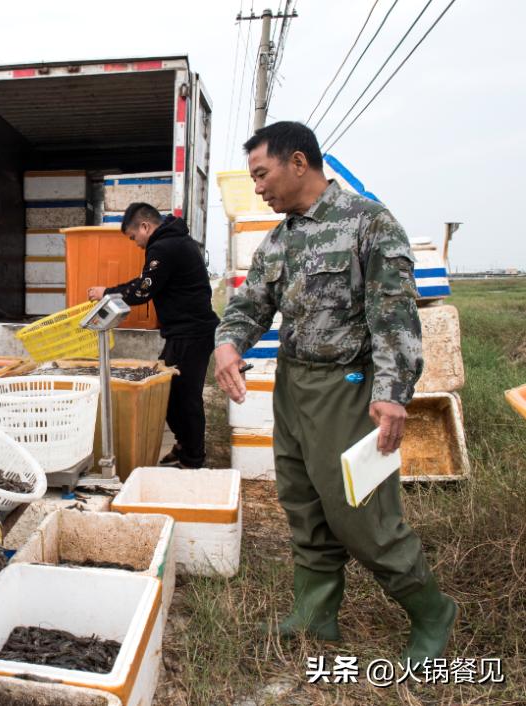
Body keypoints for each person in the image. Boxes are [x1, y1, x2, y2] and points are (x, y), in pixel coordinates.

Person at [213, 121, 455, 663]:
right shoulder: (280, 238)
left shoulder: (368, 223)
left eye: (261, 174)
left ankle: (431, 610)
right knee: (303, 504)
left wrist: (392, 392)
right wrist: (229, 343)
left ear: (298, 162)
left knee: (361, 513)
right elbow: (251, 305)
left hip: (349, 387)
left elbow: (394, 316)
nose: (257, 187)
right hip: (293, 387)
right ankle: (316, 614)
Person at [88, 204, 220, 468]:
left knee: (185, 396)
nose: (135, 243)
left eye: (133, 237)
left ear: (145, 227)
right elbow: (144, 282)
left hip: (191, 333)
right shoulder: (172, 242)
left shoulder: (164, 247)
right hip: (183, 333)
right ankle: (184, 446)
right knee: (168, 392)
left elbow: (142, 291)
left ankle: (193, 459)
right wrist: (113, 291)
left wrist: (107, 292)